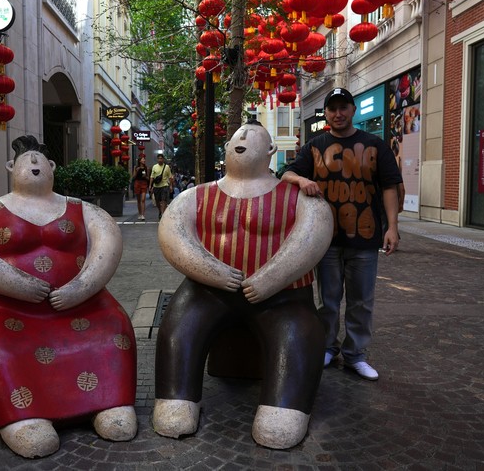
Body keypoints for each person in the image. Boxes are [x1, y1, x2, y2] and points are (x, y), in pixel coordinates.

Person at [0, 135, 137, 458]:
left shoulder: (81, 209)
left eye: (40, 161)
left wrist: (81, 287)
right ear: (11, 167)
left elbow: (108, 244)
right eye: (26, 160)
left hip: (81, 306)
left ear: (51, 168)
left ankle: (110, 402)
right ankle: (23, 417)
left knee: (113, 329)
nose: (34, 164)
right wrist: (16, 284)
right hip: (2, 309)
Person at [153, 120, 333, 449]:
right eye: (238, 136)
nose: (244, 138)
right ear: (226, 147)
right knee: (178, 331)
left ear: (271, 150)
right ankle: (176, 397)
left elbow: (314, 233)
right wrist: (209, 270)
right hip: (205, 292)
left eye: (252, 136)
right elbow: (173, 234)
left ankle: (285, 406)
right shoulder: (196, 195)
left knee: (298, 334)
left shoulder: (297, 197)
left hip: (283, 298)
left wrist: (271, 277)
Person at [282, 87, 403, 381]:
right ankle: (327, 347)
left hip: (365, 237)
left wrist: (393, 228)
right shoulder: (314, 146)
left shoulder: (375, 145)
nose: (338, 114)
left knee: (362, 300)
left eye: (343, 108)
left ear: (353, 110)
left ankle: (355, 355)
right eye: (332, 108)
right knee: (328, 300)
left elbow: (390, 186)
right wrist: (301, 180)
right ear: (326, 113)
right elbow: (285, 174)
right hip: (326, 239)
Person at [148, 153, 173, 220]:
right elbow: (152, 177)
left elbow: (170, 177)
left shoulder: (167, 167)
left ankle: (162, 214)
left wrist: (170, 186)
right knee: (157, 201)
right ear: (157, 159)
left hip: (164, 186)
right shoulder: (154, 167)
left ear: (163, 159)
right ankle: (160, 211)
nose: (160, 160)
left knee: (163, 200)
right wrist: (150, 185)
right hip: (156, 186)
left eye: (161, 158)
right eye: (159, 158)